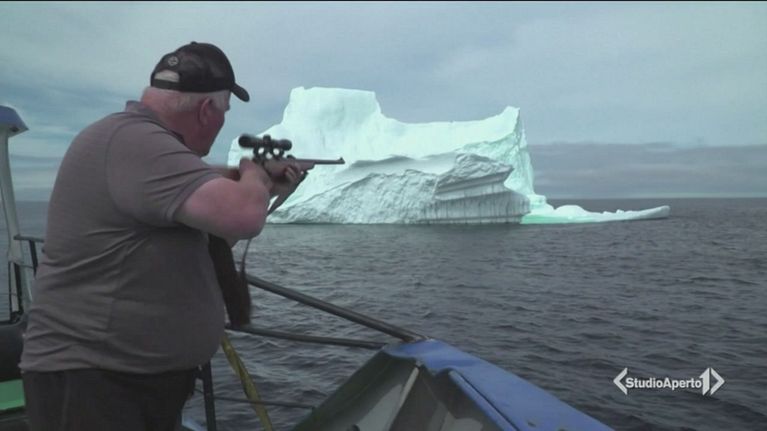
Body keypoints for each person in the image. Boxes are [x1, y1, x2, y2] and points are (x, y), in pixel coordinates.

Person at [19, 42, 302, 431]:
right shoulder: (136, 141)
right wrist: (255, 174)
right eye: (225, 112)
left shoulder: (141, 147)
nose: (222, 123)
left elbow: (215, 232)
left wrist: (267, 188)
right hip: (95, 384)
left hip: (125, 382)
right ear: (207, 110)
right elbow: (242, 216)